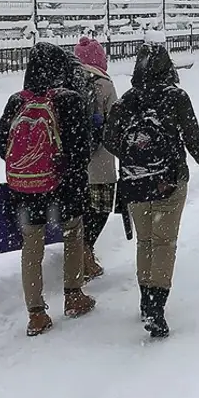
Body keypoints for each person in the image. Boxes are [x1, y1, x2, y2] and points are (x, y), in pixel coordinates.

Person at [104, 43, 199, 338]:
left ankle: (145, 300)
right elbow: (192, 134)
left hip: (135, 182)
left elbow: (109, 138)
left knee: (146, 242)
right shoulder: (176, 97)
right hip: (169, 181)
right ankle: (156, 306)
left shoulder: (127, 100)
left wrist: (133, 154)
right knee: (164, 243)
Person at [0, 42, 96, 337]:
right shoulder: (69, 99)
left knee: (31, 246)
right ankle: (74, 295)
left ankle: (36, 314)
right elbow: (81, 148)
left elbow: (0, 141)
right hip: (64, 186)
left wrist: (28, 164)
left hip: (25, 189)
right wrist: (64, 171)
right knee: (73, 234)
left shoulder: (17, 101)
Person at [73, 36, 119, 280]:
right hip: (100, 161)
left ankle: (78, 252)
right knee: (100, 208)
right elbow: (116, 121)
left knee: (78, 209)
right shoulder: (104, 84)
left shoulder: (66, 81)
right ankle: (86, 251)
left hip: (73, 162)